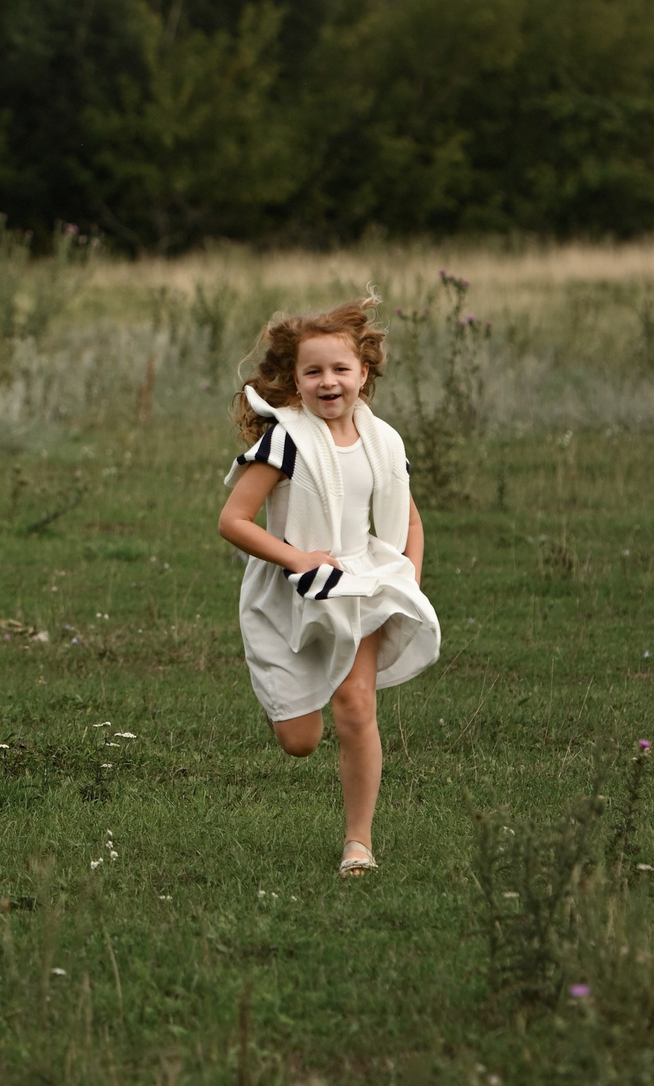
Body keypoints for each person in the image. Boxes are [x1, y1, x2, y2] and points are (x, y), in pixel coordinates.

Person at [215, 297, 441, 877]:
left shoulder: (384, 443)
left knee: (355, 706)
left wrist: (404, 579)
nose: (328, 381)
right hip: (289, 590)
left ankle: (358, 845)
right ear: (295, 380)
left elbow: (410, 519)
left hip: (359, 585)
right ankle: (284, 701)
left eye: (340, 369)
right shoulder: (284, 441)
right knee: (299, 741)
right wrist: (298, 559)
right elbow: (232, 521)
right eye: (313, 371)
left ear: (364, 373)